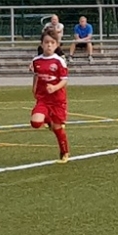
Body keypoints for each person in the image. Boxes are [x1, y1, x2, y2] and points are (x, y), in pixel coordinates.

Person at [30, 29, 71, 163]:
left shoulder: (59, 61)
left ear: (57, 45)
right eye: (46, 42)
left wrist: (54, 88)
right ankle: (48, 120)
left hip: (58, 100)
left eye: (52, 42)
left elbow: (64, 80)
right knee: (36, 123)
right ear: (41, 44)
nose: (49, 45)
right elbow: (36, 75)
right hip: (43, 99)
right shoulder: (36, 60)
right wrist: (34, 88)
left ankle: (64, 152)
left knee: (57, 128)